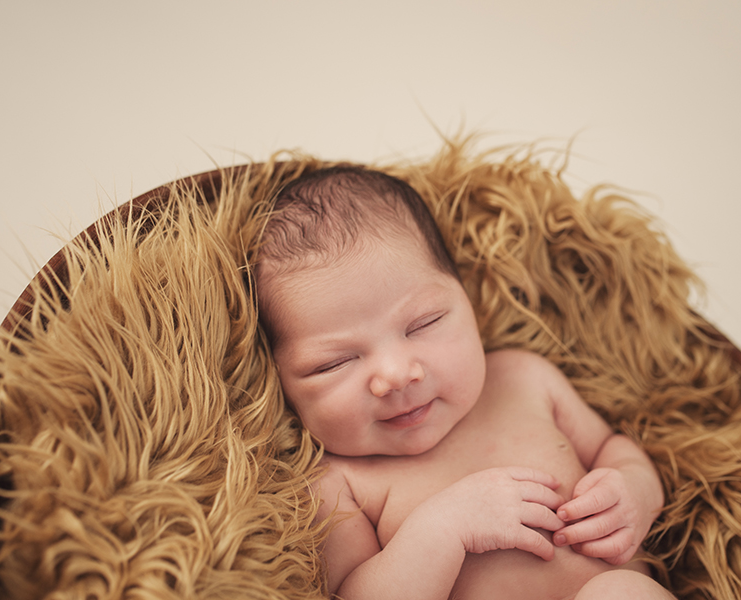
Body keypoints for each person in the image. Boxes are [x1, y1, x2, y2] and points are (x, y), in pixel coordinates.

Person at [254, 165, 675, 600]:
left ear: (468, 301)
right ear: (280, 382)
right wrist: (443, 528)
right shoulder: (339, 482)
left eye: (423, 323)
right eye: (335, 363)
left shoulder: (521, 378)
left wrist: (636, 489)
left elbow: (610, 446)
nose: (397, 376)